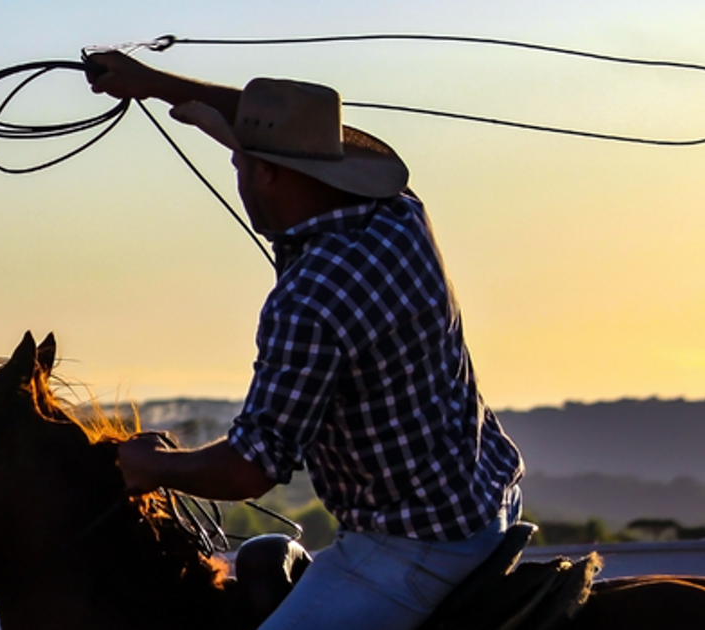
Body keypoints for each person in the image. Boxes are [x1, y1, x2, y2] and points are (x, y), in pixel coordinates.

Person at [86, 50, 525, 630]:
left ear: (265, 173)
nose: (237, 173)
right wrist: (156, 83)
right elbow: (269, 133)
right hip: (485, 498)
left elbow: (250, 469)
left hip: (412, 547)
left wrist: (151, 465)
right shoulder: (399, 213)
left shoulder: (309, 301)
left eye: (241, 165)